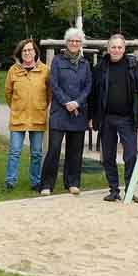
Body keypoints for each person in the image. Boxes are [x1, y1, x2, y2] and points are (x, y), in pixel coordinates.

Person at [89, 34, 138, 203]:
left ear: (124, 49)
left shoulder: (133, 66)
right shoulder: (100, 68)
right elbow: (93, 95)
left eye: (119, 47)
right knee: (108, 157)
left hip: (128, 119)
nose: (116, 50)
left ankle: (130, 189)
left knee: (130, 156)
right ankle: (113, 190)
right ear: (108, 49)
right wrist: (91, 117)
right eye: (113, 47)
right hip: (106, 119)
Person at [40, 28, 91, 196]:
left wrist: (77, 102)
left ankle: (72, 182)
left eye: (77, 41)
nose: (74, 43)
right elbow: (54, 84)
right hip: (60, 112)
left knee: (75, 151)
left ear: (81, 44)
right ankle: (47, 184)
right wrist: (66, 102)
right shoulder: (57, 61)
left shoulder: (85, 64)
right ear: (66, 43)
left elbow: (88, 87)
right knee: (54, 149)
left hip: (78, 112)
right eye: (71, 41)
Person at [4, 39, 51, 192]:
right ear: (20, 53)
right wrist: (17, 107)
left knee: (36, 153)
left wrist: (41, 106)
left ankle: (35, 181)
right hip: (18, 117)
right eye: (24, 50)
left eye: (30, 50)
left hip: (38, 116)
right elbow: (8, 93)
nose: (28, 53)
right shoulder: (13, 70)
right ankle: (10, 181)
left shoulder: (45, 70)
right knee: (14, 151)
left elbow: (49, 93)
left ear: (35, 52)